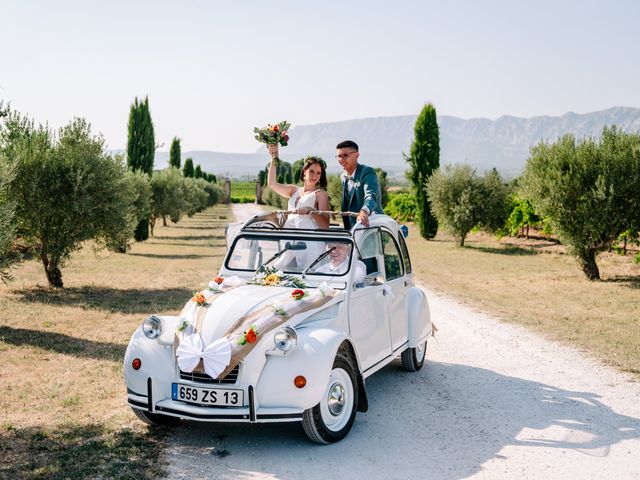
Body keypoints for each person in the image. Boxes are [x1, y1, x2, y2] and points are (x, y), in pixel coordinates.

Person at [267, 144, 330, 229]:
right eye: (311, 171)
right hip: (287, 239)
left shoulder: (320, 194)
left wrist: (312, 211)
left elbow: (325, 226)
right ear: (304, 171)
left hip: (309, 240)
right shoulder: (293, 190)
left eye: (318, 173)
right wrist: (274, 157)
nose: (315, 176)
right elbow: (272, 184)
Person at [336, 140, 383, 229]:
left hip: (371, 227)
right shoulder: (343, 177)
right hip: (353, 230)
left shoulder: (367, 172)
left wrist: (364, 211)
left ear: (357, 155)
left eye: (345, 155)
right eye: (339, 156)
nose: (341, 160)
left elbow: (371, 195)